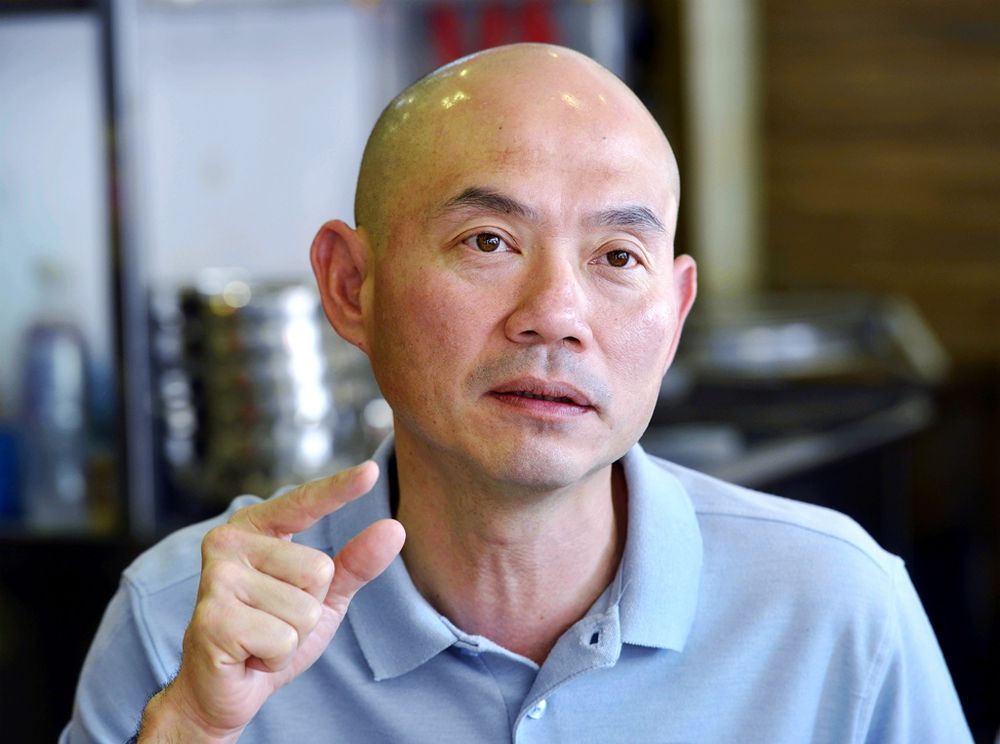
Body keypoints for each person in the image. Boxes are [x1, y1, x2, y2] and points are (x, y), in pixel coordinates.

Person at [62, 43, 971, 743]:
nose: (556, 316)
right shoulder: (186, 620)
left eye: (618, 257)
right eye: (489, 241)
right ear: (350, 287)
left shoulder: (838, 609)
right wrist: (190, 726)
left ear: (677, 309)